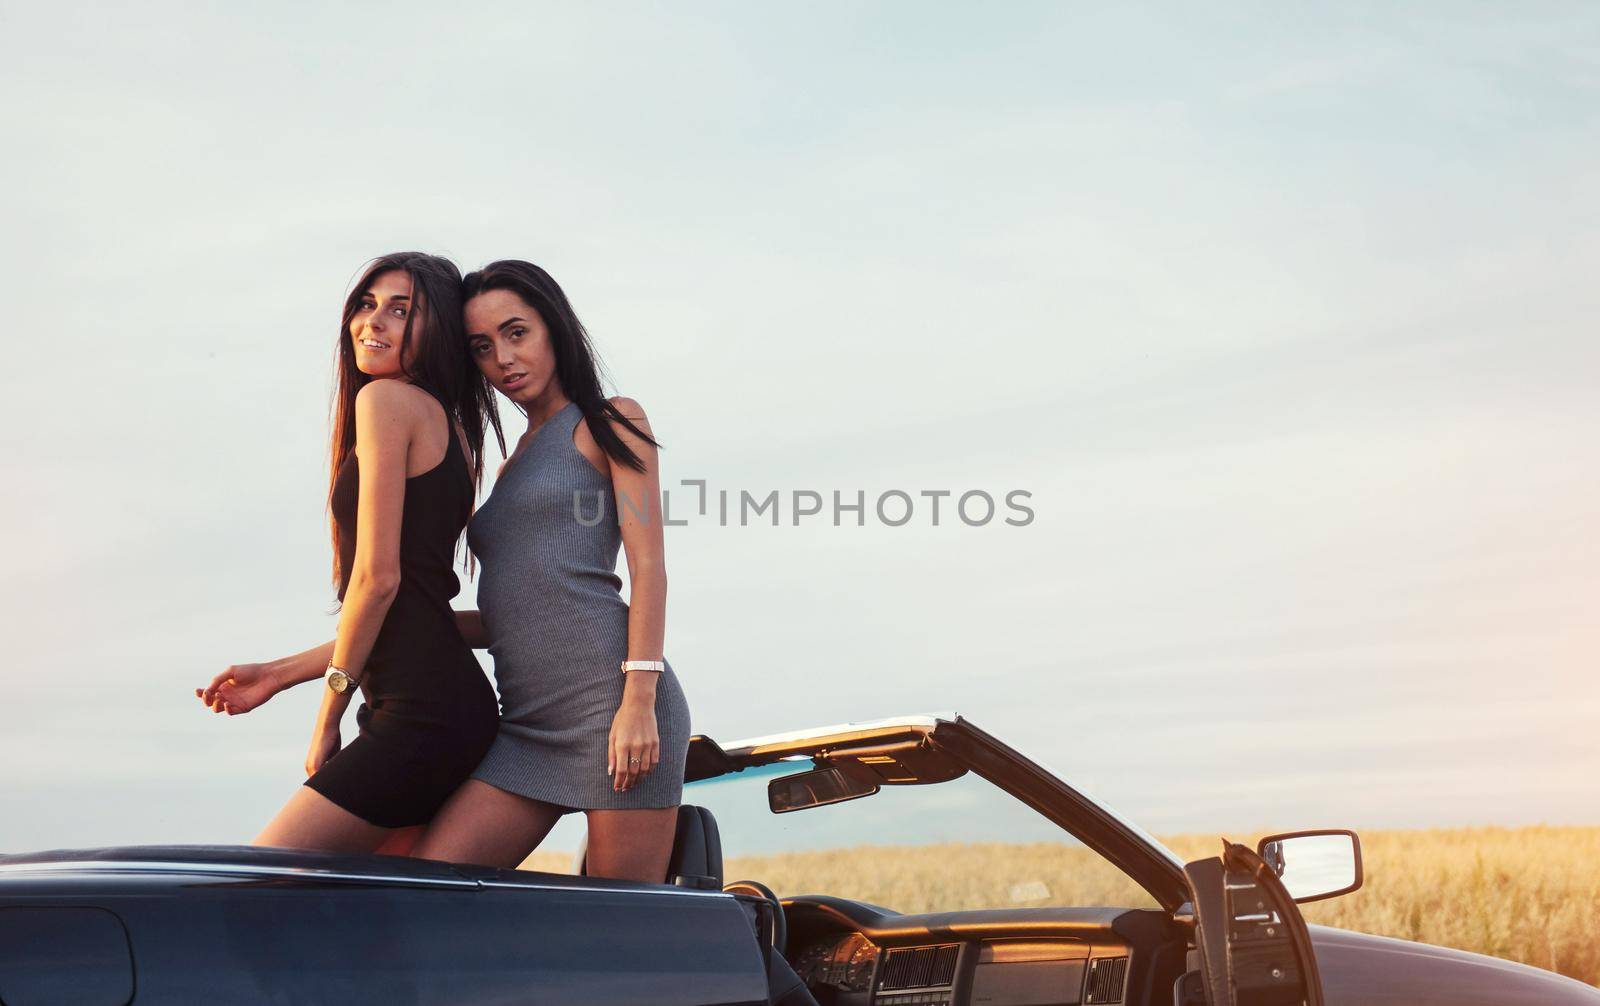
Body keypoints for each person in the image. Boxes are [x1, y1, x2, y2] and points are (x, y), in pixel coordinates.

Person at [197, 252, 501, 855]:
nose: (373, 323)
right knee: (367, 918)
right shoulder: (454, 427)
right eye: (366, 304)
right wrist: (279, 675)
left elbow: (378, 581)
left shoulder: (386, 401)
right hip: (445, 708)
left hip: (422, 715)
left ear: (437, 328)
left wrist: (326, 717)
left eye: (400, 310)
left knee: (255, 885)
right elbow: (413, 614)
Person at [408, 259, 691, 884]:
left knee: (618, 938)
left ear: (554, 329)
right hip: (528, 727)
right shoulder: (508, 466)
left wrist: (638, 701)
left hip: (616, 706)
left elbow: (650, 568)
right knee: (428, 885)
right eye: (483, 347)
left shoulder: (612, 419)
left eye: (516, 333)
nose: (503, 359)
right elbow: (516, 613)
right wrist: (328, 656)